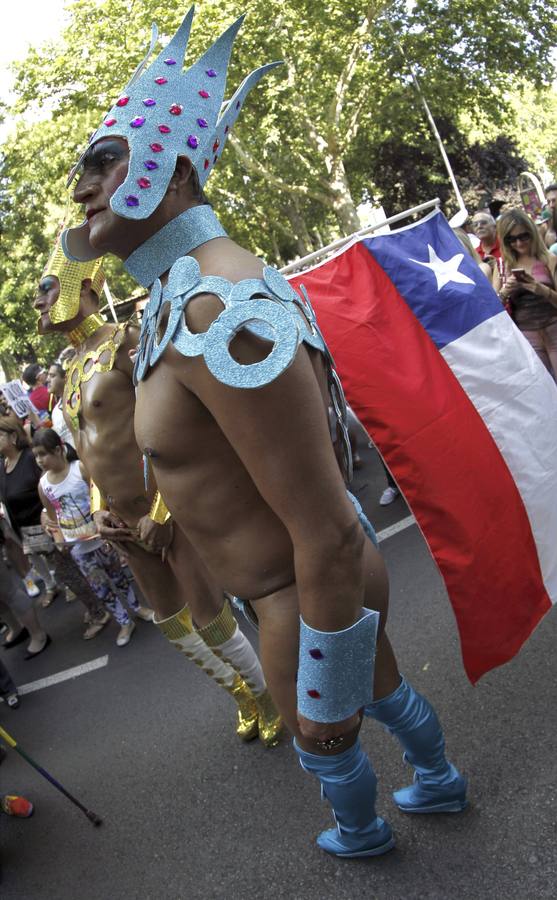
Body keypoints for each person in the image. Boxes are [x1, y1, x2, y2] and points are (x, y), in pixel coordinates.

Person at [62, 10, 466, 857]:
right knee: (383, 686)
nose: (79, 186)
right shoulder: (188, 290)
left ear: (170, 176)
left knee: (331, 737)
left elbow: (321, 522)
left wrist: (317, 693)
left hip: (297, 593)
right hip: (300, 585)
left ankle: (358, 834)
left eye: (101, 161)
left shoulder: (218, 303)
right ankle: (437, 778)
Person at [35, 218, 279, 743]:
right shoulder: (69, 370)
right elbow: (89, 451)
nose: (37, 302)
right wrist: (101, 507)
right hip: (119, 521)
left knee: (210, 616)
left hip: (166, 508)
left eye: (46, 288)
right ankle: (240, 693)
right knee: (173, 624)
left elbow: (171, 421)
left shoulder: (125, 342)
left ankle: (265, 693)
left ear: (82, 288)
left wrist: (160, 512)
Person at [33, 428, 151, 647]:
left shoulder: (80, 468)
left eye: (43, 454)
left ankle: (138, 608)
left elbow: (101, 497)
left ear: (59, 450)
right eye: (36, 456)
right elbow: (52, 516)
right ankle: (124, 621)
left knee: (119, 577)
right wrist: (60, 541)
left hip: (102, 537)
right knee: (101, 587)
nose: (40, 460)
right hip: (78, 547)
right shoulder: (44, 485)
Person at [0, 412, 60, 615]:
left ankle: (69, 586)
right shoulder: (2, 466)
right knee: (36, 558)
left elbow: (46, 485)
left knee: (57, 559)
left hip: (42, 520)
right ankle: (52, 585)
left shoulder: (30, 459)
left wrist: (46, 512)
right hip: (21, 525)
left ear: (13, 437)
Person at [493, 208, 557, 379]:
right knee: (544, 390)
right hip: (526, 336)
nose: (519, 243)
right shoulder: (501, 266)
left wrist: (543, 290)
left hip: (554, 327)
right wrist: (505, 290)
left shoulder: (548, 259)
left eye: (524, 236)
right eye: (511, 239)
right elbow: (492, 310)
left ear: (532, 233)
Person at [47, 363, 75, 448]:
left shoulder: (78, 399)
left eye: (52, 376)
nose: (47, 379)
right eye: (48, 376)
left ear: (65, 378)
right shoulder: (55, 411)